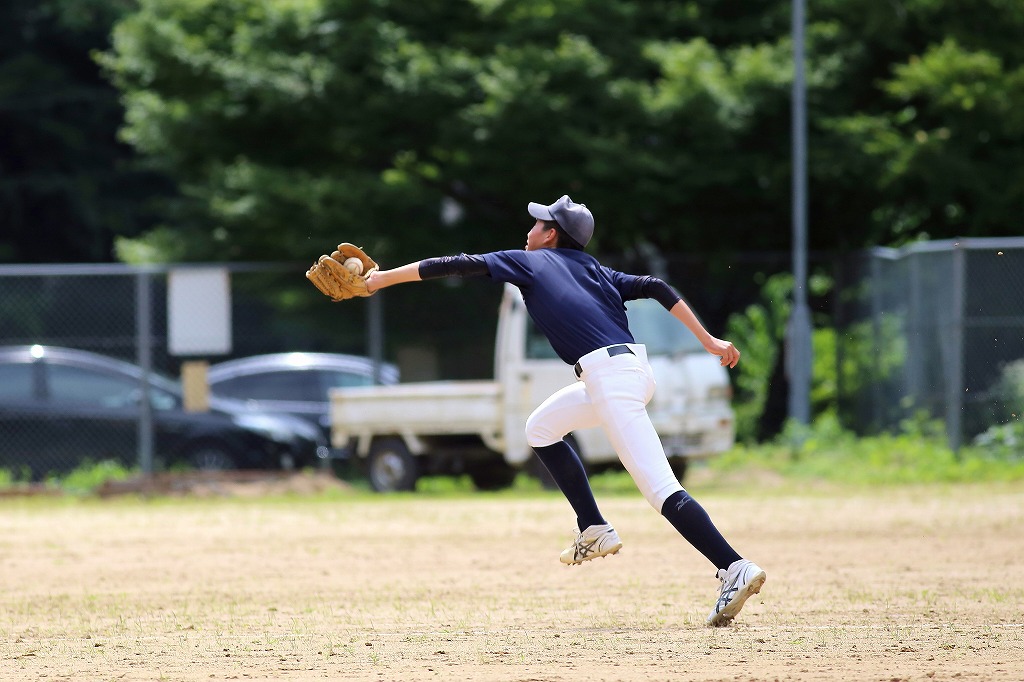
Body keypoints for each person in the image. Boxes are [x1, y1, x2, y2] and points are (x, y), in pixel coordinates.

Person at [364, 194, 766, 627]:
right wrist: (710, 341)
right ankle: (593, 526)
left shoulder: (529, 262)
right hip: (625, 372)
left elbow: (454, 263)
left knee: (661, 490)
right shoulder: (596, 270)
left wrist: (379, 280)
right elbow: (654, 285)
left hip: (610, 380)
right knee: (540, 428)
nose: (531, 228)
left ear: (552, 235)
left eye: (539, 223)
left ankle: (733, 566)